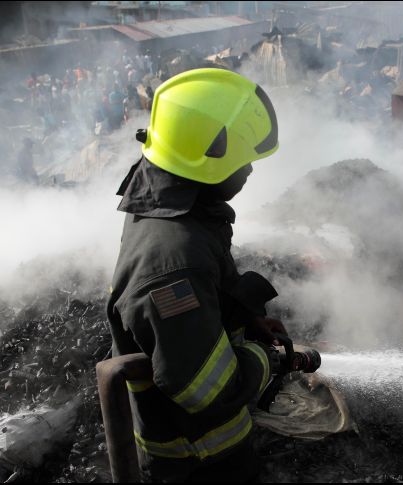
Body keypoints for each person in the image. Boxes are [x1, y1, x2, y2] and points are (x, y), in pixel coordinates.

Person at [106, 68, 282, 482]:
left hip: (207, 449)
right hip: (198, 461)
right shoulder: (172, 263)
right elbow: (207, 390)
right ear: (207, 162)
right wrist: (268, 360)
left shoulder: (175, 198)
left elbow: (202, 295)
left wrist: (244, 316)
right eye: (245, 162)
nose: (251, 172)